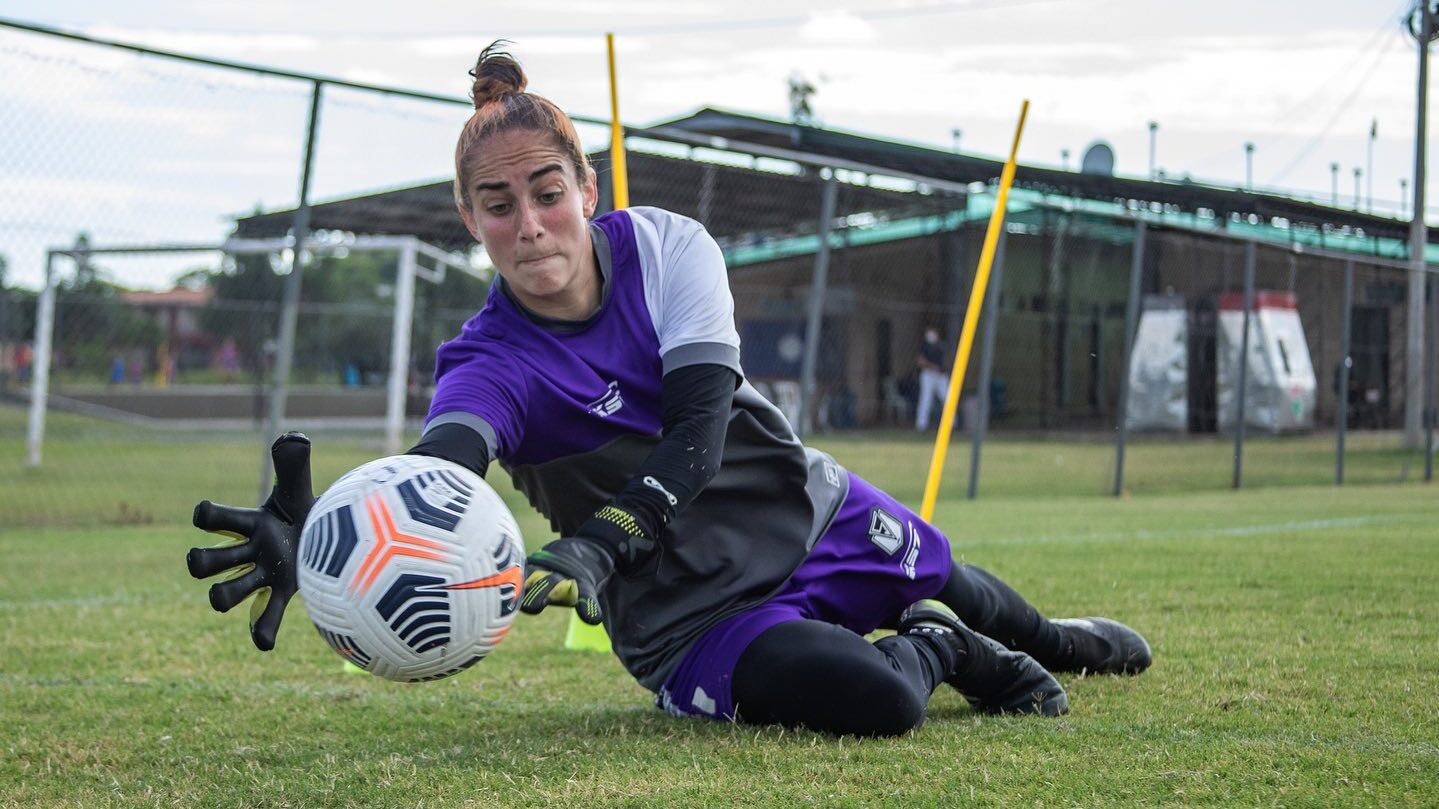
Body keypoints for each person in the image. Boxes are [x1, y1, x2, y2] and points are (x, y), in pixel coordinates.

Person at [187, 44, 1150, 737]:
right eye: (498, 203)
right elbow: (446, 469)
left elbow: (698, 428)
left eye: (547, 190)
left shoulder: (666, 248)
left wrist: (604, 540)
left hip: (797, 507)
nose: (529, 223)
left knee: (967, 585)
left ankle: (1050, 639)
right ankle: (944, 652)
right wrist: (325, 544)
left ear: (586, 188)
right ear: (469, 219)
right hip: (690, 616)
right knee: (881, 702)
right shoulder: (488, 361)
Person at [914, 327, 948, 431]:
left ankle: (951, 424)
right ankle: (921, 425)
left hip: (941, 375)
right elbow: (919, 361)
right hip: (928, 374)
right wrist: (931, 366)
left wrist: (942, 368)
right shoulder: (924, 346)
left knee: (947, 398)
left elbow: (947, 359)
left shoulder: (942, 345)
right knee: (926, 399)